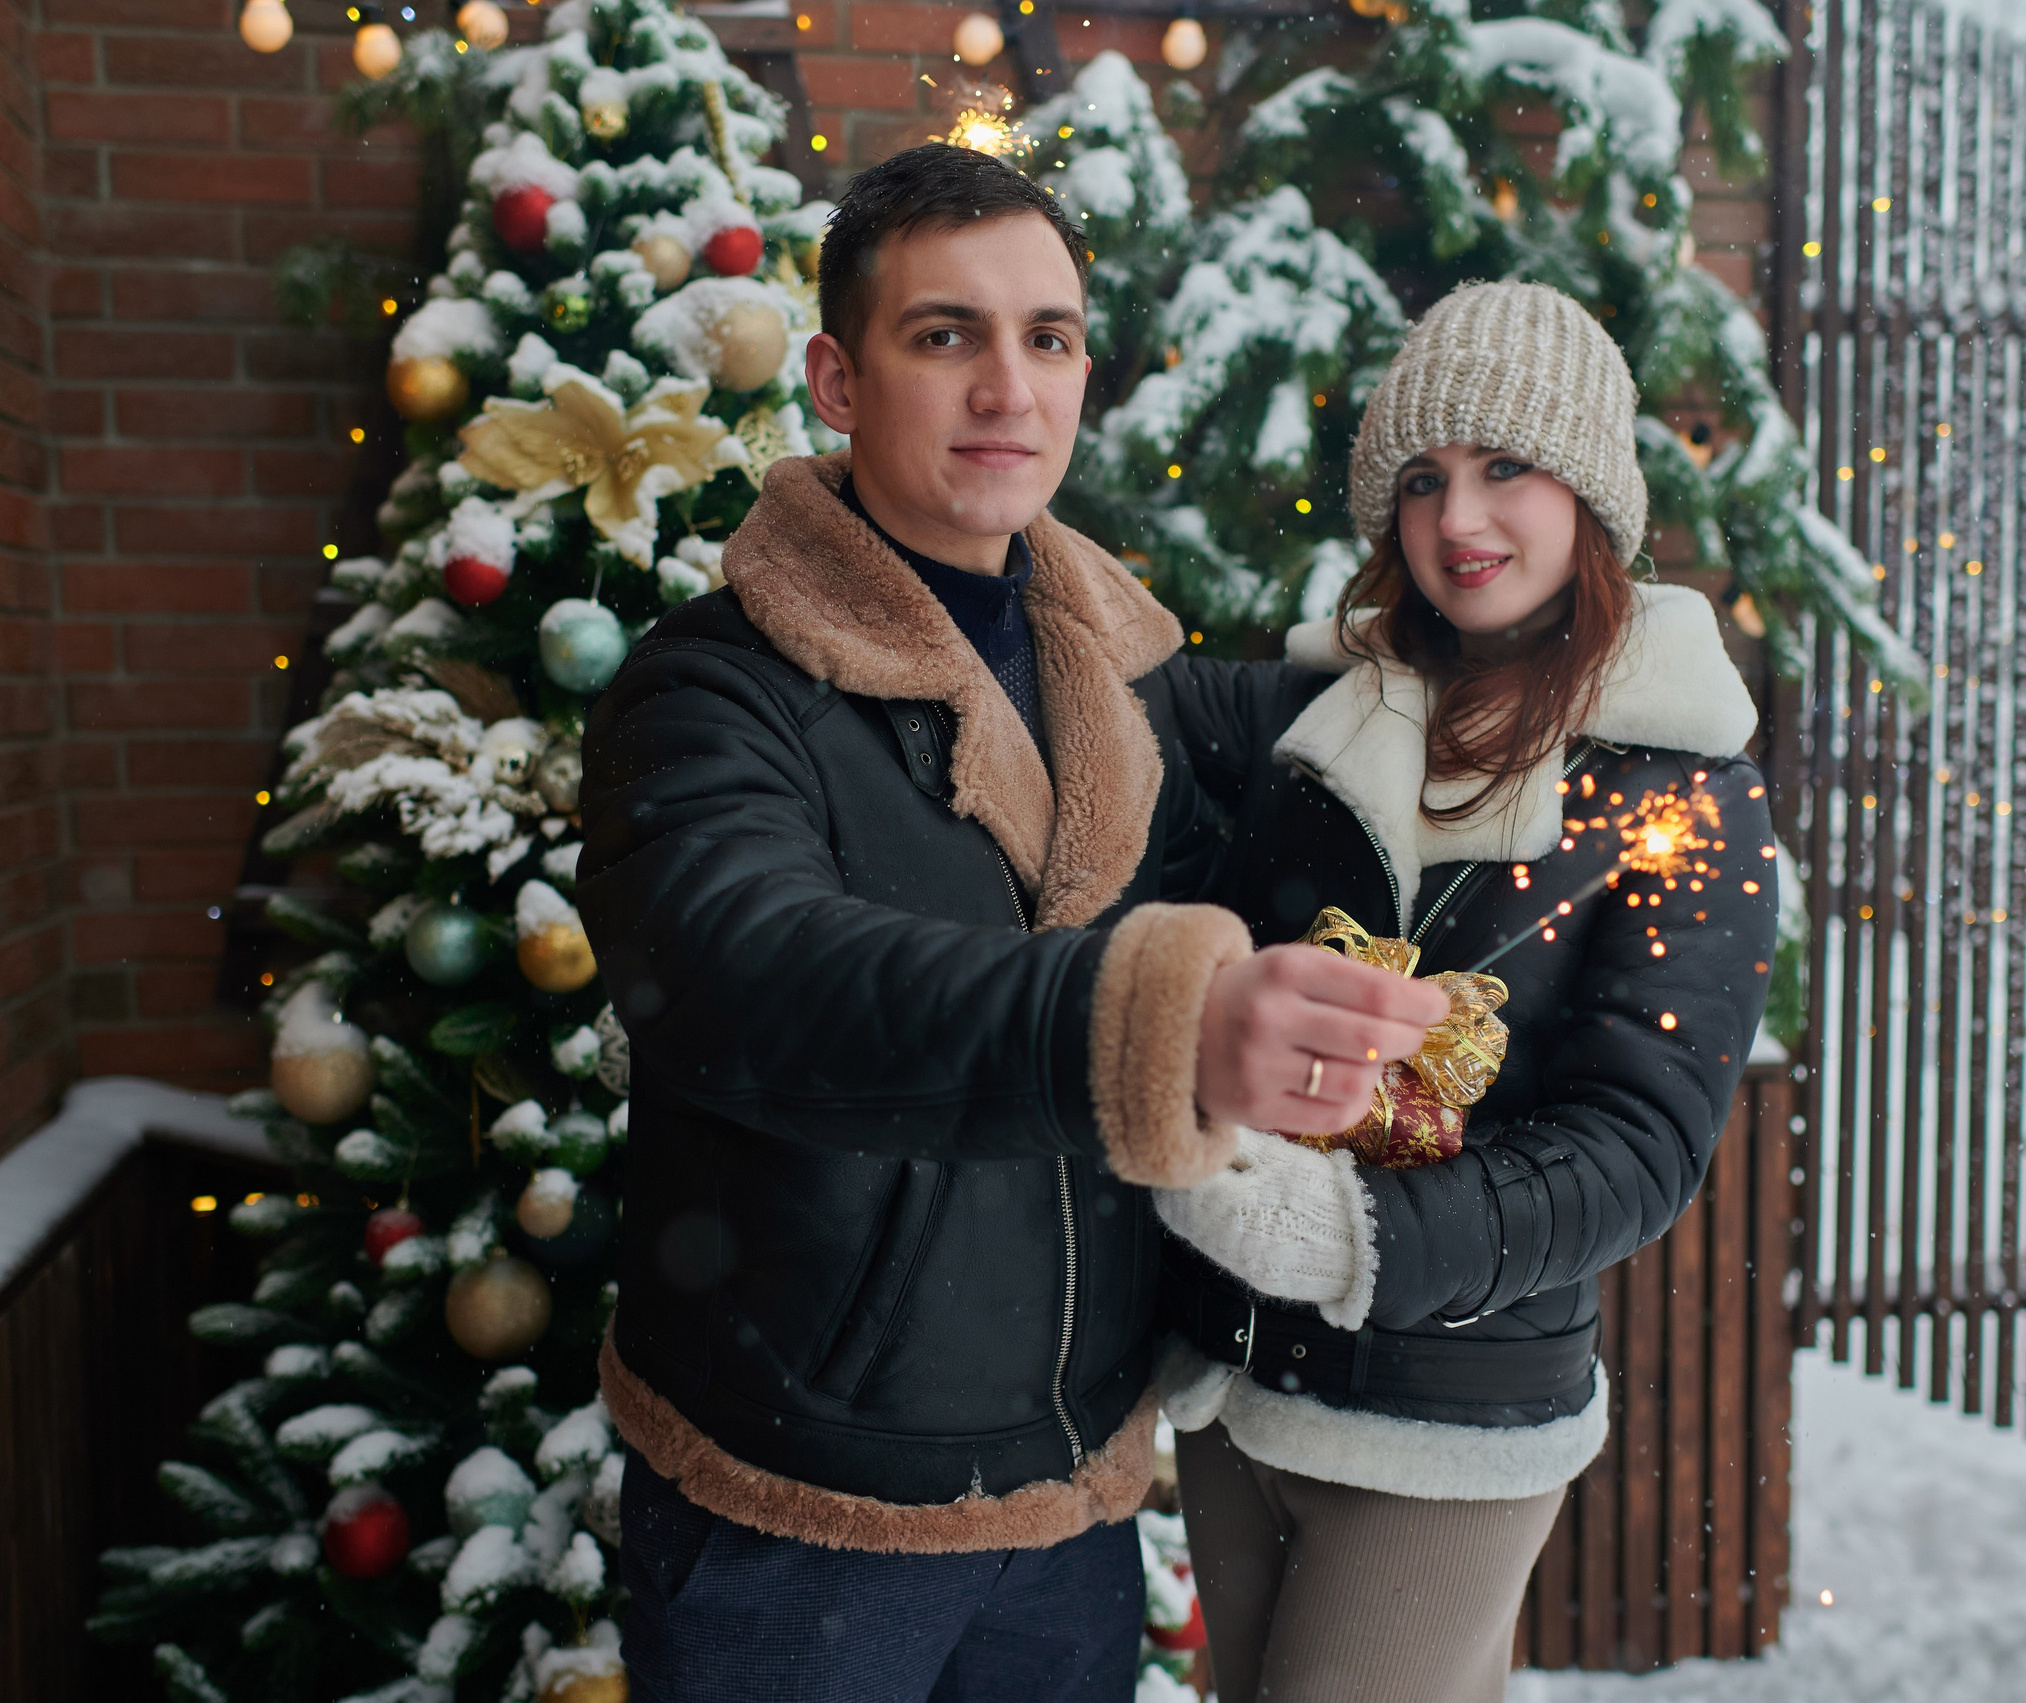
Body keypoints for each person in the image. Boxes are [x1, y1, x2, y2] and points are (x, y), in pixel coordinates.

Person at [574, 144, 1448, 1703]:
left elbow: (1395, 710)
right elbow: (754, 970)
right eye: (944, 335)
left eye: (1046, 338)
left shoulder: (1137, 688)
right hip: (798, 1519)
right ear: (838, 378)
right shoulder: (712, 690)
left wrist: (1600, 671)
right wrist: (1152, 1020)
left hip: (1071, 1504)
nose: (1007, 388)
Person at [1152, 281, 1779, 1703]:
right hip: (1235, 1379)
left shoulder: (1677, 791)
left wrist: (1356, 1234)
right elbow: (1096, 708)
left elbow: (1639, 1144)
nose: (1459, 521)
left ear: (1592, 494)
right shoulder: (1320, 713)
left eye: (1507, 468)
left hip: (1448, 1418)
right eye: (1423, 481)